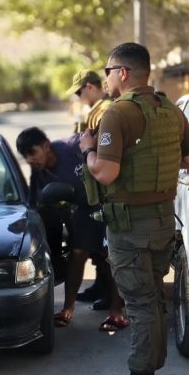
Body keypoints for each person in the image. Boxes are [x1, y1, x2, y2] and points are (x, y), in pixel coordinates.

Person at [80, 43, 189, 375]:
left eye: (107, 71)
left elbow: (107, 172)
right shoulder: (170, 109)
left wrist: (88, 150)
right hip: (162, 221)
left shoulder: (118, 114)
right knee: (152, 302)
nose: (105, 79)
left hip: (131, 226)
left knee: (141, 304)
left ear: (122, 73)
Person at [16, 127, 127, 331]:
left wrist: (92, 141)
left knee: (113, 258)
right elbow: (35, 203)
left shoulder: (72, 147)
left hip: (107, 203)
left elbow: (95, 141)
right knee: (78, 254)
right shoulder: (39, 172)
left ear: (46, 146)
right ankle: (67, 309)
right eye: (25, 156)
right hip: (83, 210)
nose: (30, 160)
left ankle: (117, 313)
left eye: (32, 153)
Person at [66, 69, 128, 327]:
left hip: (104, 190)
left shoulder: (105, 110)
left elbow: (103, 153)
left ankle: (117, 309)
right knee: (100, 254)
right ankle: (105, 293)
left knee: (108, 254)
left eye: (81, 92)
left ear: (91, 87)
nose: (79, 97)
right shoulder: (99, 110)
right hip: (98, 189)